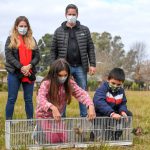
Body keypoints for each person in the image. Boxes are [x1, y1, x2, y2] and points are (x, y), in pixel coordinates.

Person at [34, 58, 96, 144]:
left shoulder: (69, 83)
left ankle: (44, 132)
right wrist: (52, 107)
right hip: (44, 116)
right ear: (54, 74)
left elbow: (82, 93)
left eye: (65, 75)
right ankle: (38, 132)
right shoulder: (46, 83)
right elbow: (40, 98)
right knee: (54, 140)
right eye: (60, 75)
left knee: (63, 139)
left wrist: (90, 105)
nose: (63, 78)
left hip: (57, 117)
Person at [50, 4, 96, 117]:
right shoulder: (58, 31)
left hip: (81, 66)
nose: (71, 16)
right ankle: (62, 117)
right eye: (69, 14)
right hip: (64, 68)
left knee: (82, 92)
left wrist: (93, 64)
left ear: (77, 15)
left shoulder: (84, 30)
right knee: (62, 92)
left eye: (73, 14)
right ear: (65, 15)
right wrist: (53, 68)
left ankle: (85, 117)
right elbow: (53, 51)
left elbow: (90, 47)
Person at [5, 16, 40, 120]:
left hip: (29, 73)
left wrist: (29, 65)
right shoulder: (10, 39)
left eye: (25, 26)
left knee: (29, 99)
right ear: (16, 27)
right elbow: (9, 56)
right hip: (14, 73)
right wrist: (21, 67)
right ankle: (8, 123)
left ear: (28, 27)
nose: (23, 28)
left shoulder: (32, 39)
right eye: (21, 26)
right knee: (11, 98)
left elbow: (37, 56)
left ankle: (30, 122)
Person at [93, 68, 132, 140]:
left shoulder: (121, 91)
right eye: (113, 83)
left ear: (122, 83)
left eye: (118, 84)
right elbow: (99, 102)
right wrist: (112, 113)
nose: (115, 86)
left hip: (114, 113)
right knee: (104, 137)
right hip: (101, 114)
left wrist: (123, 111)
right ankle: (95, 134)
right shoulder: (102, 88)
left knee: (128, 114)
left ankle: (117, 133)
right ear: (108, 80)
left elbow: (123, 103)